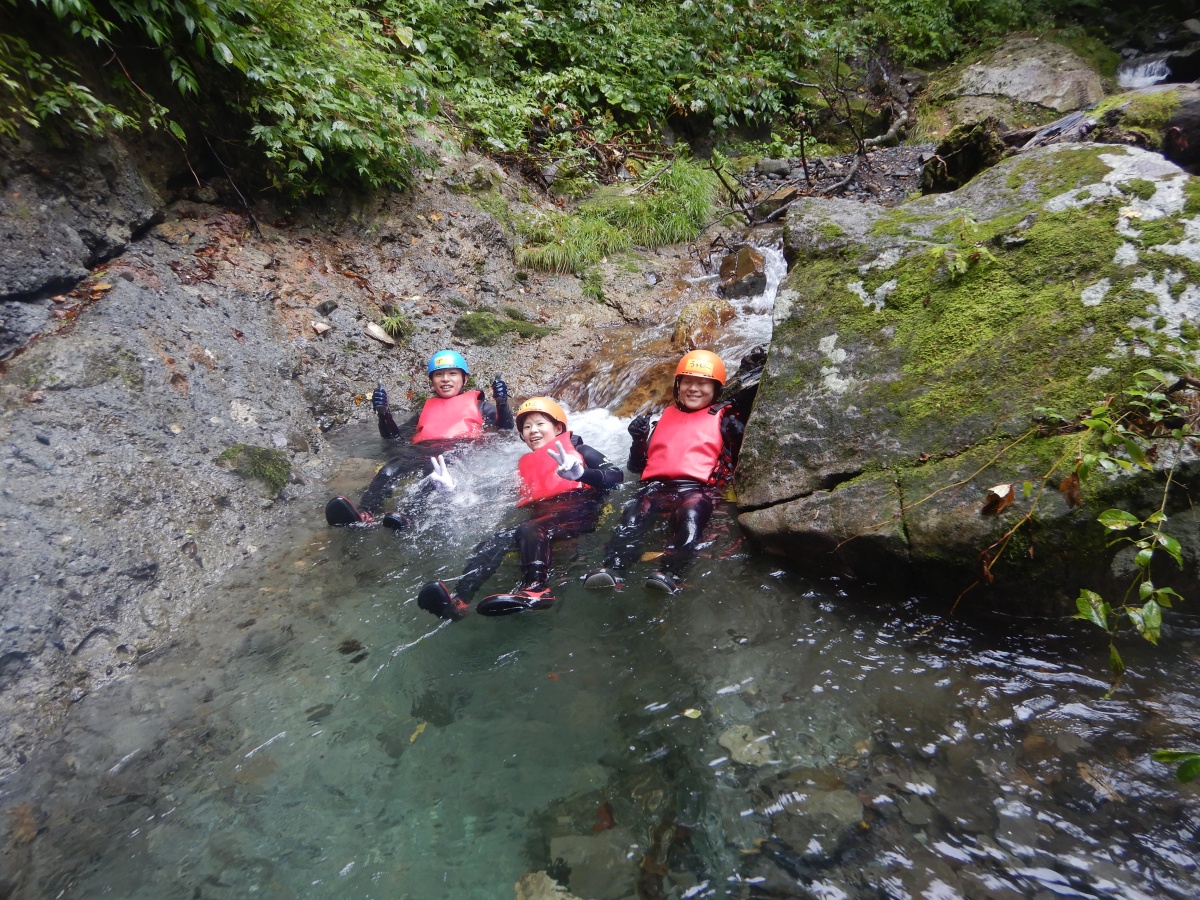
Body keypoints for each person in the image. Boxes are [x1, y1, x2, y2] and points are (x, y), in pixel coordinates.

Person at [417, 397, 623, 619]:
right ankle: (459, 600)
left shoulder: (581, 450)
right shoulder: (524, 465)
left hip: (580, 510)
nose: (532, 430)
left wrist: (583, 474)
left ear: (558, 427)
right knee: (495, 540)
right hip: (542, 518)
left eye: (540, 424)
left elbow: (616, 476)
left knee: (529, 529)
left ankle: (537, 589)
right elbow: (488, 504)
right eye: (526, 427)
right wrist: (452, 493)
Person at [585, 349, 745, 595]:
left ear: (716, 390)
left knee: (691, 515)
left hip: (698, 489)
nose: (693, 389)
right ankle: (613, 569)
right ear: (678, 386)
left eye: (703, 384)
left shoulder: (725, 421)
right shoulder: (663, 419)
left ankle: (672, 573)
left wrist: (737, 437)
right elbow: (637, 467)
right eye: (688, 382)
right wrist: (638, 440)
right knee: (632, 516)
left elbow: (736, 464)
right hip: (655, 488)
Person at [325, 349, 513, 526]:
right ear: (432, 380)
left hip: (459, 448)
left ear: (464, 378)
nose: (445, 379)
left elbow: (505, 429)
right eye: (439, 374)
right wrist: (384, 414)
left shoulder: (482, 407)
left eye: (452, 374)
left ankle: (409, 515)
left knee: (433, 471)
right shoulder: (423, 411)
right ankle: (365, 513)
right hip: (423, 449)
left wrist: (502, 404)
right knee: (389, 469)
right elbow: (394, 439)